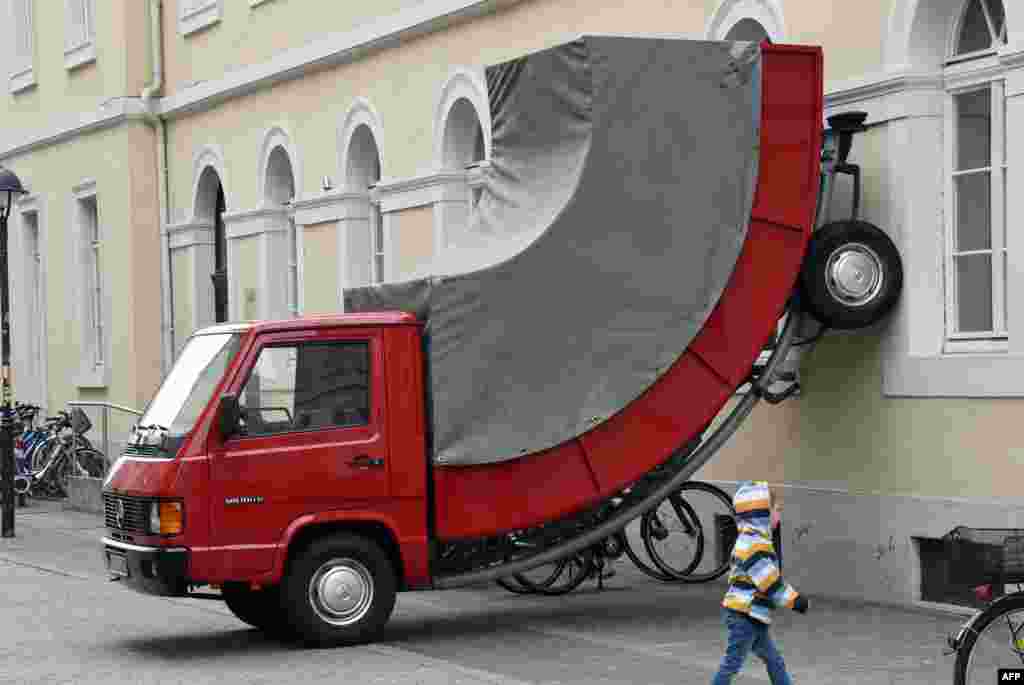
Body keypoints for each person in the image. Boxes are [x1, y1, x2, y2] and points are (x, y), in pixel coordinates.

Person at [711, 480, 807, 685]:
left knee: (774, 660)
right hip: (744, 615)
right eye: (777, 509)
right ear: (761, 513)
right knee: (733, 663)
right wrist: (795, 600)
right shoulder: (755, 546)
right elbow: (770, 583)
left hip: (752, 615)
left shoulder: (753, 540)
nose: (779, 514)